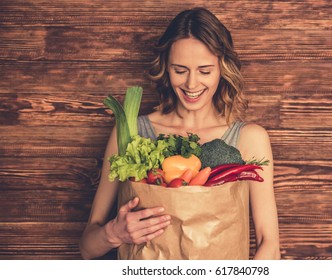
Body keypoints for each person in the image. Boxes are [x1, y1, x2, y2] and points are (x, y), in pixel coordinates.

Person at [79, 7, 280, 260]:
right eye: (180, 70)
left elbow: (269, 247)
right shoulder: (130, 132)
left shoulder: (250, 138)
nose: (192, 84)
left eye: (205, 71)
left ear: (223, 69)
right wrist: (115, 234)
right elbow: (87, 248)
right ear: (165, 66)